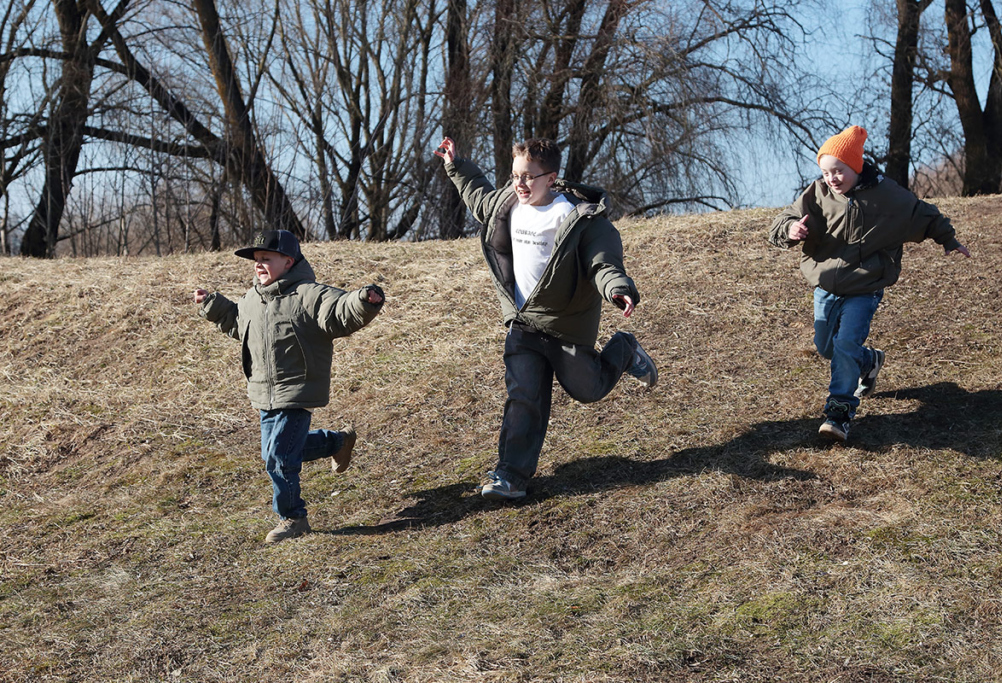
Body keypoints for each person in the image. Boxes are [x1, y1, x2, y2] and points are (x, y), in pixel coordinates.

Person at [435, 136, 657, 500]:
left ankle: (624, 349)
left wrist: (618, 288)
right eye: (515, 175)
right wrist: (457, 165)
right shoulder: (508, 204)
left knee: (588, 389)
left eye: (529, 177)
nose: (520, 184)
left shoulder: (576, 217)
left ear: (551, 179)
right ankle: (510, 476)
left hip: (565, 327)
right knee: (523, 395)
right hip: (523, 324)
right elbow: (477, 196)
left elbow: (603, 261)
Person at [769, 125, 970, 442]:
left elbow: (924, 214)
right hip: (826, 286)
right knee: (827, 347)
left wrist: (948, 240)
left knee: (845, 345)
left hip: (864, 288)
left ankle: (839, 414)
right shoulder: (817, 194)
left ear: (856, 167)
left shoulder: (888, 197)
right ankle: (870, 360)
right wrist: (792, 229)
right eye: (826, 171)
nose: (832, 178)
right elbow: (783, 220)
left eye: (839, 170)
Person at [193, 229, 385, 542]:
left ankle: (293, 518)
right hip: (263, 393)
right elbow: (235, 322)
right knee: (279, 452)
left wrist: (363, 301)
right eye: (256, 260)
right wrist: (213, 306)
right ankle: (336, 442)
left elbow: (338, 311)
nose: (258, 265)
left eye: (266, 258)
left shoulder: (307, 294)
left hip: (296, 390)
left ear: (288, 260)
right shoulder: (253, 299)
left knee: (279, 457)